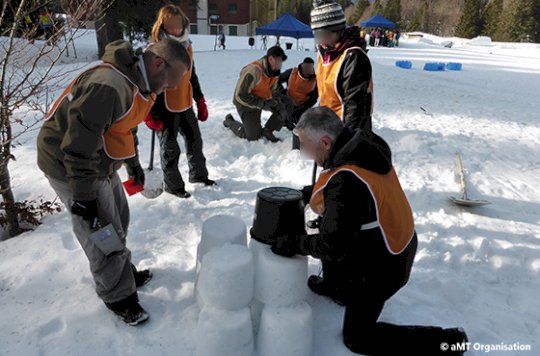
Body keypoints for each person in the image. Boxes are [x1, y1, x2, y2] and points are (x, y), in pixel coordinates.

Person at [271, 107, 469, 355]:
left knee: (357, 338)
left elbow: (332, 243)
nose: (304, 152)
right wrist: (306, 194)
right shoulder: (363, 144)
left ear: (325, 142)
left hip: (386, 266)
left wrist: (292, 243)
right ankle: (338, 288)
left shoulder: (347, 182)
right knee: (330, 223)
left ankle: (450, 340)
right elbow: (347, 191)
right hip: (396, 242)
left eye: (305, 145)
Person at [37, 38, 190, 325]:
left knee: (119, 216)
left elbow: (123, 126)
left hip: (98, 158)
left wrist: (133, 165)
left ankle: (120, 271)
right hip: (71, 164)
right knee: (102, 231)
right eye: (171, 81)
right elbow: (77, 147)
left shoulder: (140, 83)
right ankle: (119, 296)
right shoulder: (108, 86)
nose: (169, 88)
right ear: (159, 63)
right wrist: (83, 198)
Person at [147, 5, 215, 199]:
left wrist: (200, 100)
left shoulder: (187, 45)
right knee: (170, 149)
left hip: (185, 103)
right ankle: (173, 187)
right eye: (172, 25)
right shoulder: (156, 49)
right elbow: (147, 84)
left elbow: (191, 74)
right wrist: (149, 113)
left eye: (179, 24)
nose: (177, 28)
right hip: (164, 107)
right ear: (163, 25)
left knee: (195, 142)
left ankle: (199, 176)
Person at [311, 0, 374, 131]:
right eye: (316, 35)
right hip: (329, 125)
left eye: (321, 34)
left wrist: (345, 140)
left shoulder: (354, 57)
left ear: (336, 30)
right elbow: (324, 92)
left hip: (348, 130)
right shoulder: (324, 52)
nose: (319, 41)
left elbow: (355, 108)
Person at [223, 45, 291, 143]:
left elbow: (274, 92)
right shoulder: (253, 71)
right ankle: (229, 122)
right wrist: (262, 105)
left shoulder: (275, 72)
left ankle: (268, 130)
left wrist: (279, 106)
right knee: (252, 137)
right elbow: (241, 96)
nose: (281, 64)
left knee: (286, 103)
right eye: (279, 61)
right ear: (271, 59)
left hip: (263, 100)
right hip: (246, 104)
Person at [279, 57, 318, 149]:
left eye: (310, 67)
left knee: (305, 125)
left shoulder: (315, 81)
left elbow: (313, 99)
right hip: (286, 103)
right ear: (302, 66)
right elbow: (277, 80)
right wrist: (281, 92)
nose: (307, 70)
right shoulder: (292, 72)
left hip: (301, 107)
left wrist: (302, 109)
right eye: (306, 67)